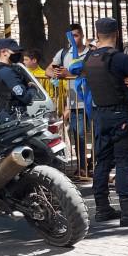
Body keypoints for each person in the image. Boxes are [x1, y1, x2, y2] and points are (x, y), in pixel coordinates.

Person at [82, 17, 128, 227]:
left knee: (103, 163)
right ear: (116, 34)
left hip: (100, 115)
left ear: (98, 34)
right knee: (124, 163)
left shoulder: (89, 57)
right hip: (121, 114)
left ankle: (102, 208)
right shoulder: (119, 58)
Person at [49, 23, 90, 177]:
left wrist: (70, 75)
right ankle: (82, 167)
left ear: (82, 35)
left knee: (98, 136)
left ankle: (95, 165)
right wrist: (56, 74)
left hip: (93, 100)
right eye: (71, 36)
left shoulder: (90, 53)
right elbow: (48, 69)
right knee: (78, 135)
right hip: (74, 102)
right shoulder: (64, 53)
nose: (73, 38)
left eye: (76, 35)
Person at [0, 39, 36, 124]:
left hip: (9, 115)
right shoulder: (6, 72)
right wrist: (33, 88)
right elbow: (25, 98)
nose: (18, 54)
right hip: (13, 118)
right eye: (15, 51)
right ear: (4, 52)